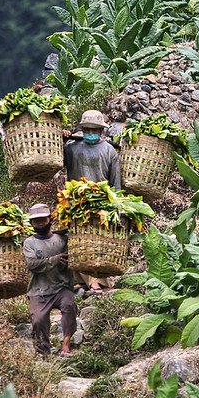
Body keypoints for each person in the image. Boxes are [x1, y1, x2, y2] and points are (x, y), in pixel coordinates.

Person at [63, 110, 121, 293]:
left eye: (95, 129)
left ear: (101, 132)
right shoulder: (71, 148)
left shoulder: (109, 151)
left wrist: (116, 204)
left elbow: (115, 181)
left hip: (101, 202)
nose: (91, 132)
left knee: (97, 242)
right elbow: (57, 160)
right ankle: (78, 280)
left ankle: (97, 282)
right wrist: (62, 139)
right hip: (76, 201)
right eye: (87, 129)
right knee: (76, 240)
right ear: (82, 129)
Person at [22, 203, 77, 357]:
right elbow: (32, 265)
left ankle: (66, 344)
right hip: (39, 290)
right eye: (36, 221)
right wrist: (54, 259)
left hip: (61, 287)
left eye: (43, 220)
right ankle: (43, 353)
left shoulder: (62, 239)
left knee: (69, 305)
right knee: (38, 320)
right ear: (31, 223)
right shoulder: (29, 243)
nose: (40, 224)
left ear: (50, 219)